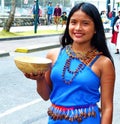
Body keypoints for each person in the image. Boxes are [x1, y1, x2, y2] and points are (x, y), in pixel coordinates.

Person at [24, 2, 115, 124]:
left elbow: (107, 107)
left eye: (85, 23)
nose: (78, 28)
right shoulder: (53, 56)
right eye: (73, 22)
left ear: (95, 29)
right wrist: (39, 79)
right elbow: (46, 96)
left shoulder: (104, 63)